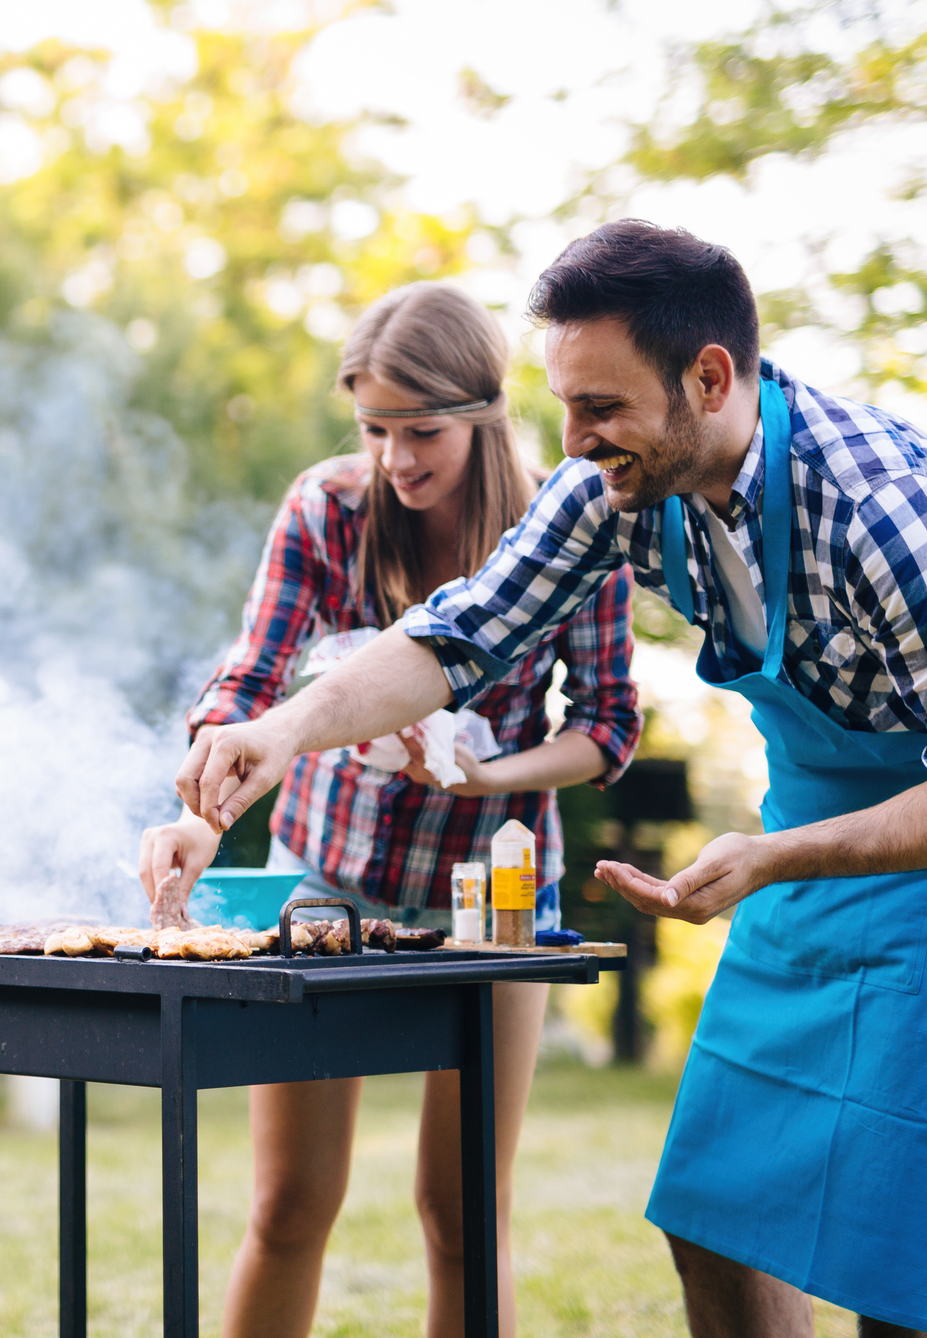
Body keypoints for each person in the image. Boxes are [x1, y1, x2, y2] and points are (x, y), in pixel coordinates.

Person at [177, 221, 927, 1338]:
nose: (571, 440)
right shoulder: (612, 492)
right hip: (802, 842)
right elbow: (456, 637)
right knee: (713, 1214)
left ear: (706, 379)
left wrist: (773, 857)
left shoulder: (888, 509)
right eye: (565, 405)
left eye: (600, 407)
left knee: (886, 1256)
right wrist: (283, 731)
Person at [138, 283, 640, 1338]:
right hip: (324, 875)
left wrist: (484, 778)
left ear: (483, 416)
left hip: (491, 895)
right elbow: (249, 683)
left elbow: (604, 727)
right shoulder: (326, 509)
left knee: (460, 1213)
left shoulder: (567, 527)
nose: (395, 459)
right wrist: (198, 811)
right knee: (287, 1207)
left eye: (422, 432)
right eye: (374, 429)